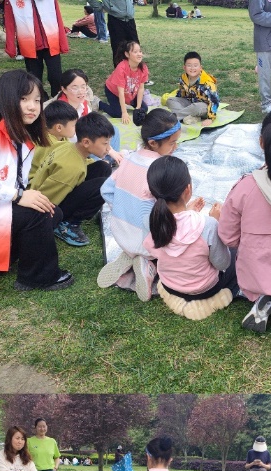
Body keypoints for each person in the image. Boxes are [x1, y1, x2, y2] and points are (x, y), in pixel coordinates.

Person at [0, 73, 72, 290]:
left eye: (37, 100)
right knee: (37, 214)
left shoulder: (21, 135)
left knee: (52, 212)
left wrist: (21, 195)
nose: (32, 107)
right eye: (24, 99)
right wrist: (17, 195)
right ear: (6, 98)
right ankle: (38, 278)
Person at [97, 107, 183, 302]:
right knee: (182, 230)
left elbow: (106, 190)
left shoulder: (128, 159)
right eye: (172, 143)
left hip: (120, 232)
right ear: (153, 143)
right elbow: (168, 206)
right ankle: (147, 264)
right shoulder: (160, 169)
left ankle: (130, 255)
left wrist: (121, 208)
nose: (176, 147)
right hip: (147, 240)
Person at [143, 156, 235, 320]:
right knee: (236, 253)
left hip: (169, 285)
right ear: (188, 189)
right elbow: (222, 263)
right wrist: (219, 224)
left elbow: (154, 246)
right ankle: (214, 300)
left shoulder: (154, 221)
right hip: (205, 289)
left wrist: (188, 212)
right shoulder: (208, 225)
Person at [29, 108, 113, 248]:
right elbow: (48, 199)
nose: (108, 148)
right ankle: (67, 224)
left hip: (58, 188)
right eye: (105, 143)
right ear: (86, 142)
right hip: (47, 204)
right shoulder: (72, 168)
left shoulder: (68, 145)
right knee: (103, 185)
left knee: (103, 168)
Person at [102, 40, 150, 123]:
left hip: (130, 92)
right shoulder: (121, 68)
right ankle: (99, 104)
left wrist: (138, 107)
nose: (139, 54)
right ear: (127, 54)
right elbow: (120, 92)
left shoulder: (143, 67)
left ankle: (128, 103)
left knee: (144, 109)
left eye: (140, 51)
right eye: (135, 52)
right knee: (118, 114)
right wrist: (124, 112)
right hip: (113, 92)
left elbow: (141, 88)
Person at [165, 51, 220, 124]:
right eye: (189, 65)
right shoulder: (183, 78)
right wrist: (179, 102)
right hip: (189, 104)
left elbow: (214, 101)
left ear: (200, 68)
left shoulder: (207, 82)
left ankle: (172, 119)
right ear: (184, 67)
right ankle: (189, 117)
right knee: (170, 100)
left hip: (203, 107)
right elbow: (181, 94)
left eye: (195, 65)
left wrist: (210, 118)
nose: (192, 68)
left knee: (197, 107)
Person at [103, 0, 138, 66]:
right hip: (115, 19)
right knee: (118, 47)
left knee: (134, 45)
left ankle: (135, 69)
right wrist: (99, 6)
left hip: (130, 19)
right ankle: (120, 70)